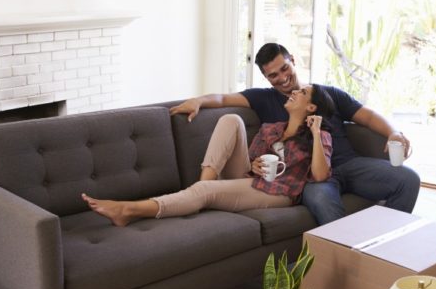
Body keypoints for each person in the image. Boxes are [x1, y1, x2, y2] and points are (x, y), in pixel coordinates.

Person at [168, 43, 420, 225]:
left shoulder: (326, 93)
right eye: (273, 75)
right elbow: (223, 98)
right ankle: (345, 258)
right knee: (322, 200)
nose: (282, 78)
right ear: (266, 78)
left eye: (284, 68)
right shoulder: (263, 99)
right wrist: (198, 101)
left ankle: (388, 242)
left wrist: (394, 132)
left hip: (349, 164)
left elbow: (367, 116)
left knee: (407, 179)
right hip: (313, 178)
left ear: (293, 61)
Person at [82, 84, 335, 227]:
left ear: (312, 107)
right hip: (253, 181)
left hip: (279, 193)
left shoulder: (318, 136)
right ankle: (204, 184)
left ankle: (129, 210)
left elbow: (320, 175)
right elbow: (250, 162)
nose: (295, 92)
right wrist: (256, 164)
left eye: (302, 93)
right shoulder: (272, 128)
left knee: (204, 193)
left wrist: (314, 131)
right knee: (231, 118)